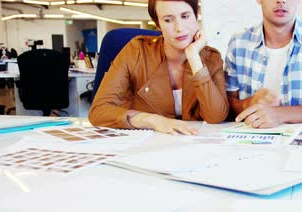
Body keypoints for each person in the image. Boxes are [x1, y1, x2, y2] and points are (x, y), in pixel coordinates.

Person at [89, 0, 228, 135]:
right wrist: (151, 120)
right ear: (158, 25)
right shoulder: (136, 51)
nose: (179, 28)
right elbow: (98, 111)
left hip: (192, 142)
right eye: (168, 20)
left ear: (196, 16)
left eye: (185, 16)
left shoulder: (211, 58)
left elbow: (216, 116)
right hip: (144, 144)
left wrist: (193, 56)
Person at [225, 0, 302, 129]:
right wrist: (247, 103)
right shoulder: (238, 42)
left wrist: (279, 114)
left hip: (297, 145)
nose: (281, 1)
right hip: (246, 142)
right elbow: (224, 107)